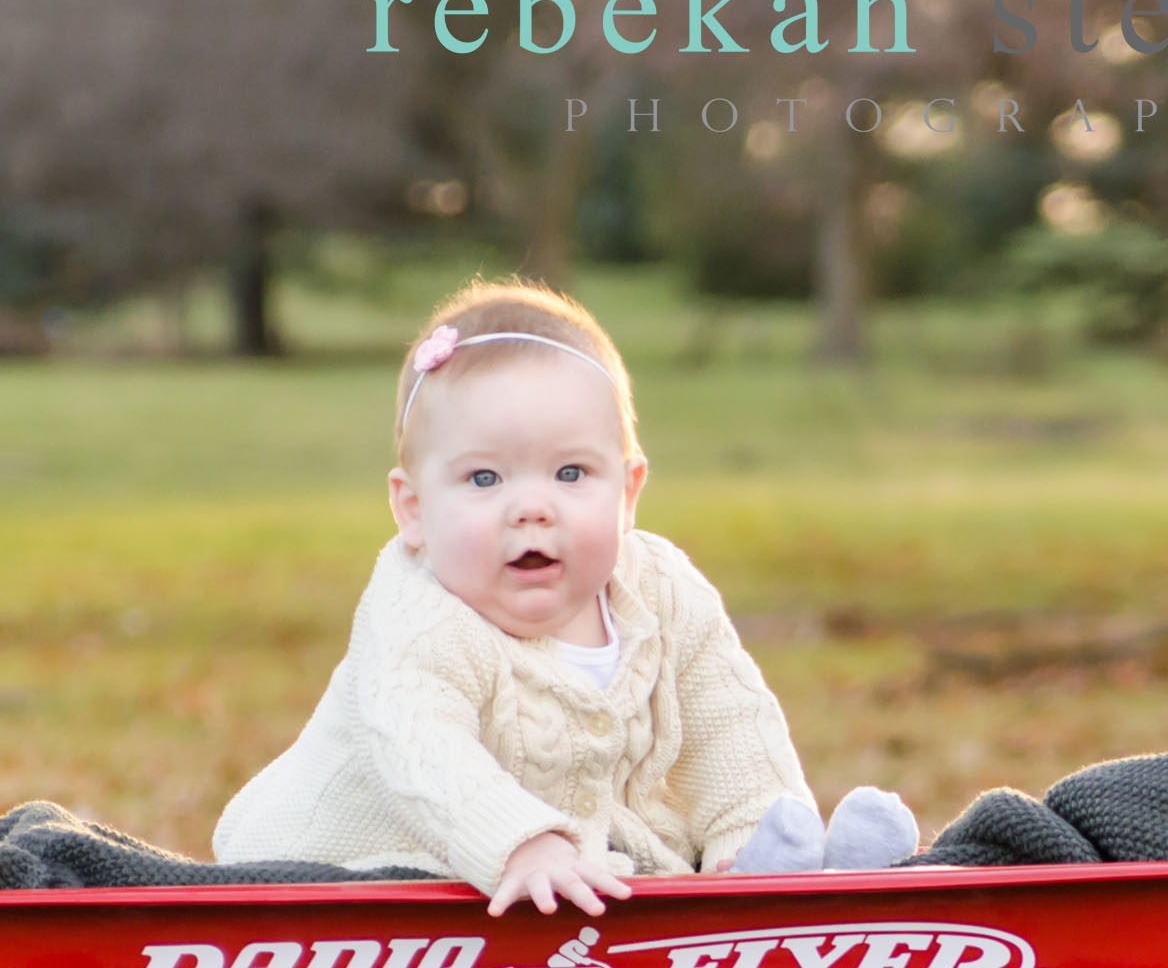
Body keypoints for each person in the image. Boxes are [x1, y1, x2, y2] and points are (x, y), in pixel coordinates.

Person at [212, 282, 919, 910]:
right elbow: (420, 748)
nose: (532, 507)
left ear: (629, 491)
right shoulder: (419, 616)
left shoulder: (662, 589)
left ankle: (794, 878)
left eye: (572, 473)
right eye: (485, 479)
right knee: (425, 840)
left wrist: (751, 830)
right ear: (414, 510)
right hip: (349, 865)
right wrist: (519, 843)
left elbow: (730, 726)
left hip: (557, 865)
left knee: (752, 823)